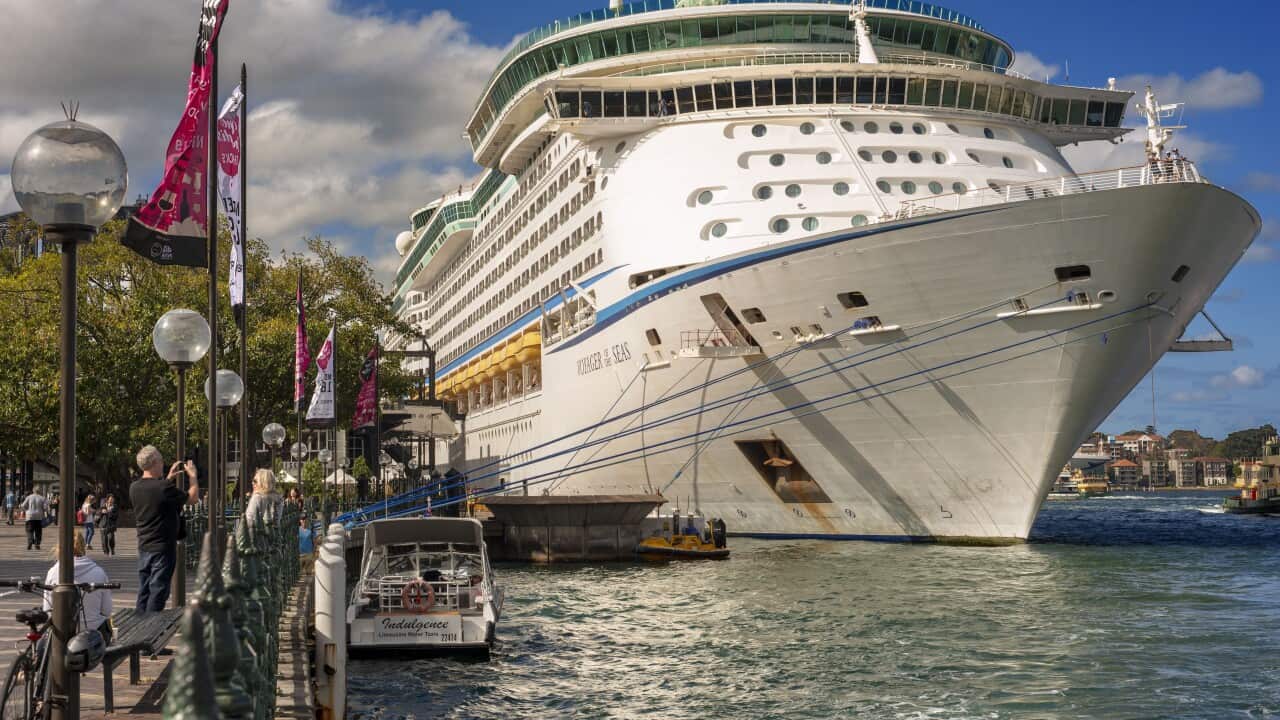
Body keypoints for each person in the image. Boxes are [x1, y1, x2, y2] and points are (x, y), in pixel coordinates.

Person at [129, 445, 199, 612]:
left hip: (144, 545)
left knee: (144, 589)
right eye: (161, 461)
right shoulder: (163, 488)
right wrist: (193, 477)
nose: (163, 464)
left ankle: (139, 624)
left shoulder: (135, 487)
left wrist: (168, 479)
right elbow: (193, 498)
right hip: (162, 547)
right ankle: (151, 629)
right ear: (154, 463)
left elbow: (156, 496)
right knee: (158, 591)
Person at [43, 531, 112, 643]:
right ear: (83, 546)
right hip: (92, 631)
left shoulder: (53, 572)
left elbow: (47, 609)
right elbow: (107, 610)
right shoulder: (99, 572)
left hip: (61, 633)